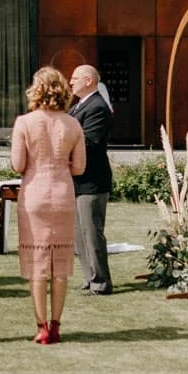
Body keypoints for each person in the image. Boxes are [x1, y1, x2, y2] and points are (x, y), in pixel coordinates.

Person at [14, 68, 89, 344]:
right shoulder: (73, 125)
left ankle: (41, 325)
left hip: (34, 193)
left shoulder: (24, 122)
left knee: (37, 264)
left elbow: (17, 164)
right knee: (60, 264)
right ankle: (56, 325)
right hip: (62, 193)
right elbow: (79, 167)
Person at [69, 64, 115, 297]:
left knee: (92, 232)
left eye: (75, 78)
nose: (70, 81)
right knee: (79, 235)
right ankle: (89, 278)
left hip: (92, 181)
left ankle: (101, 282)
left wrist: (62, 147)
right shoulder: (78, 106)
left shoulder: (97, 107)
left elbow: (89, 143)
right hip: (77, 180)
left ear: (89, 80)